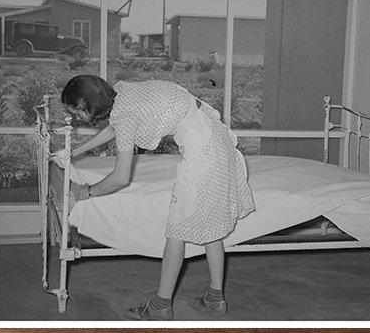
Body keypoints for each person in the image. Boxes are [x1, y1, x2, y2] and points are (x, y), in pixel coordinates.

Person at [59, 74, 255, 320]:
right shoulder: (123, 94)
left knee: (176, 229)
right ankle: (216, 299)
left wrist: (86, 192)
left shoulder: (125, 114)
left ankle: (160, 306)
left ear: (88, 104)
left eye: (76, 112)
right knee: (211, 227)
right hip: (214, 138)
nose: (77, 118)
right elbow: (114, 128)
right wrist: (75, 151)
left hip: (205, 151)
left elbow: (121, 177)